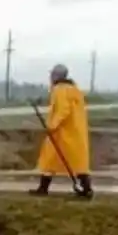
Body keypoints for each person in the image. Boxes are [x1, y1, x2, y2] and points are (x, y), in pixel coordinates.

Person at [30, 63, 93, 198]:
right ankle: (44, 188)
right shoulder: (74, 89)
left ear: (56, 76)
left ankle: (86, 189)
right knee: (75, 161)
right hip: (74, 132)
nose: (50, 77)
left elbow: (64, 110)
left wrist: (52, 126)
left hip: (61, 132)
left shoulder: (60, 90)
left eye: (52, 74)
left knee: (51, 159)